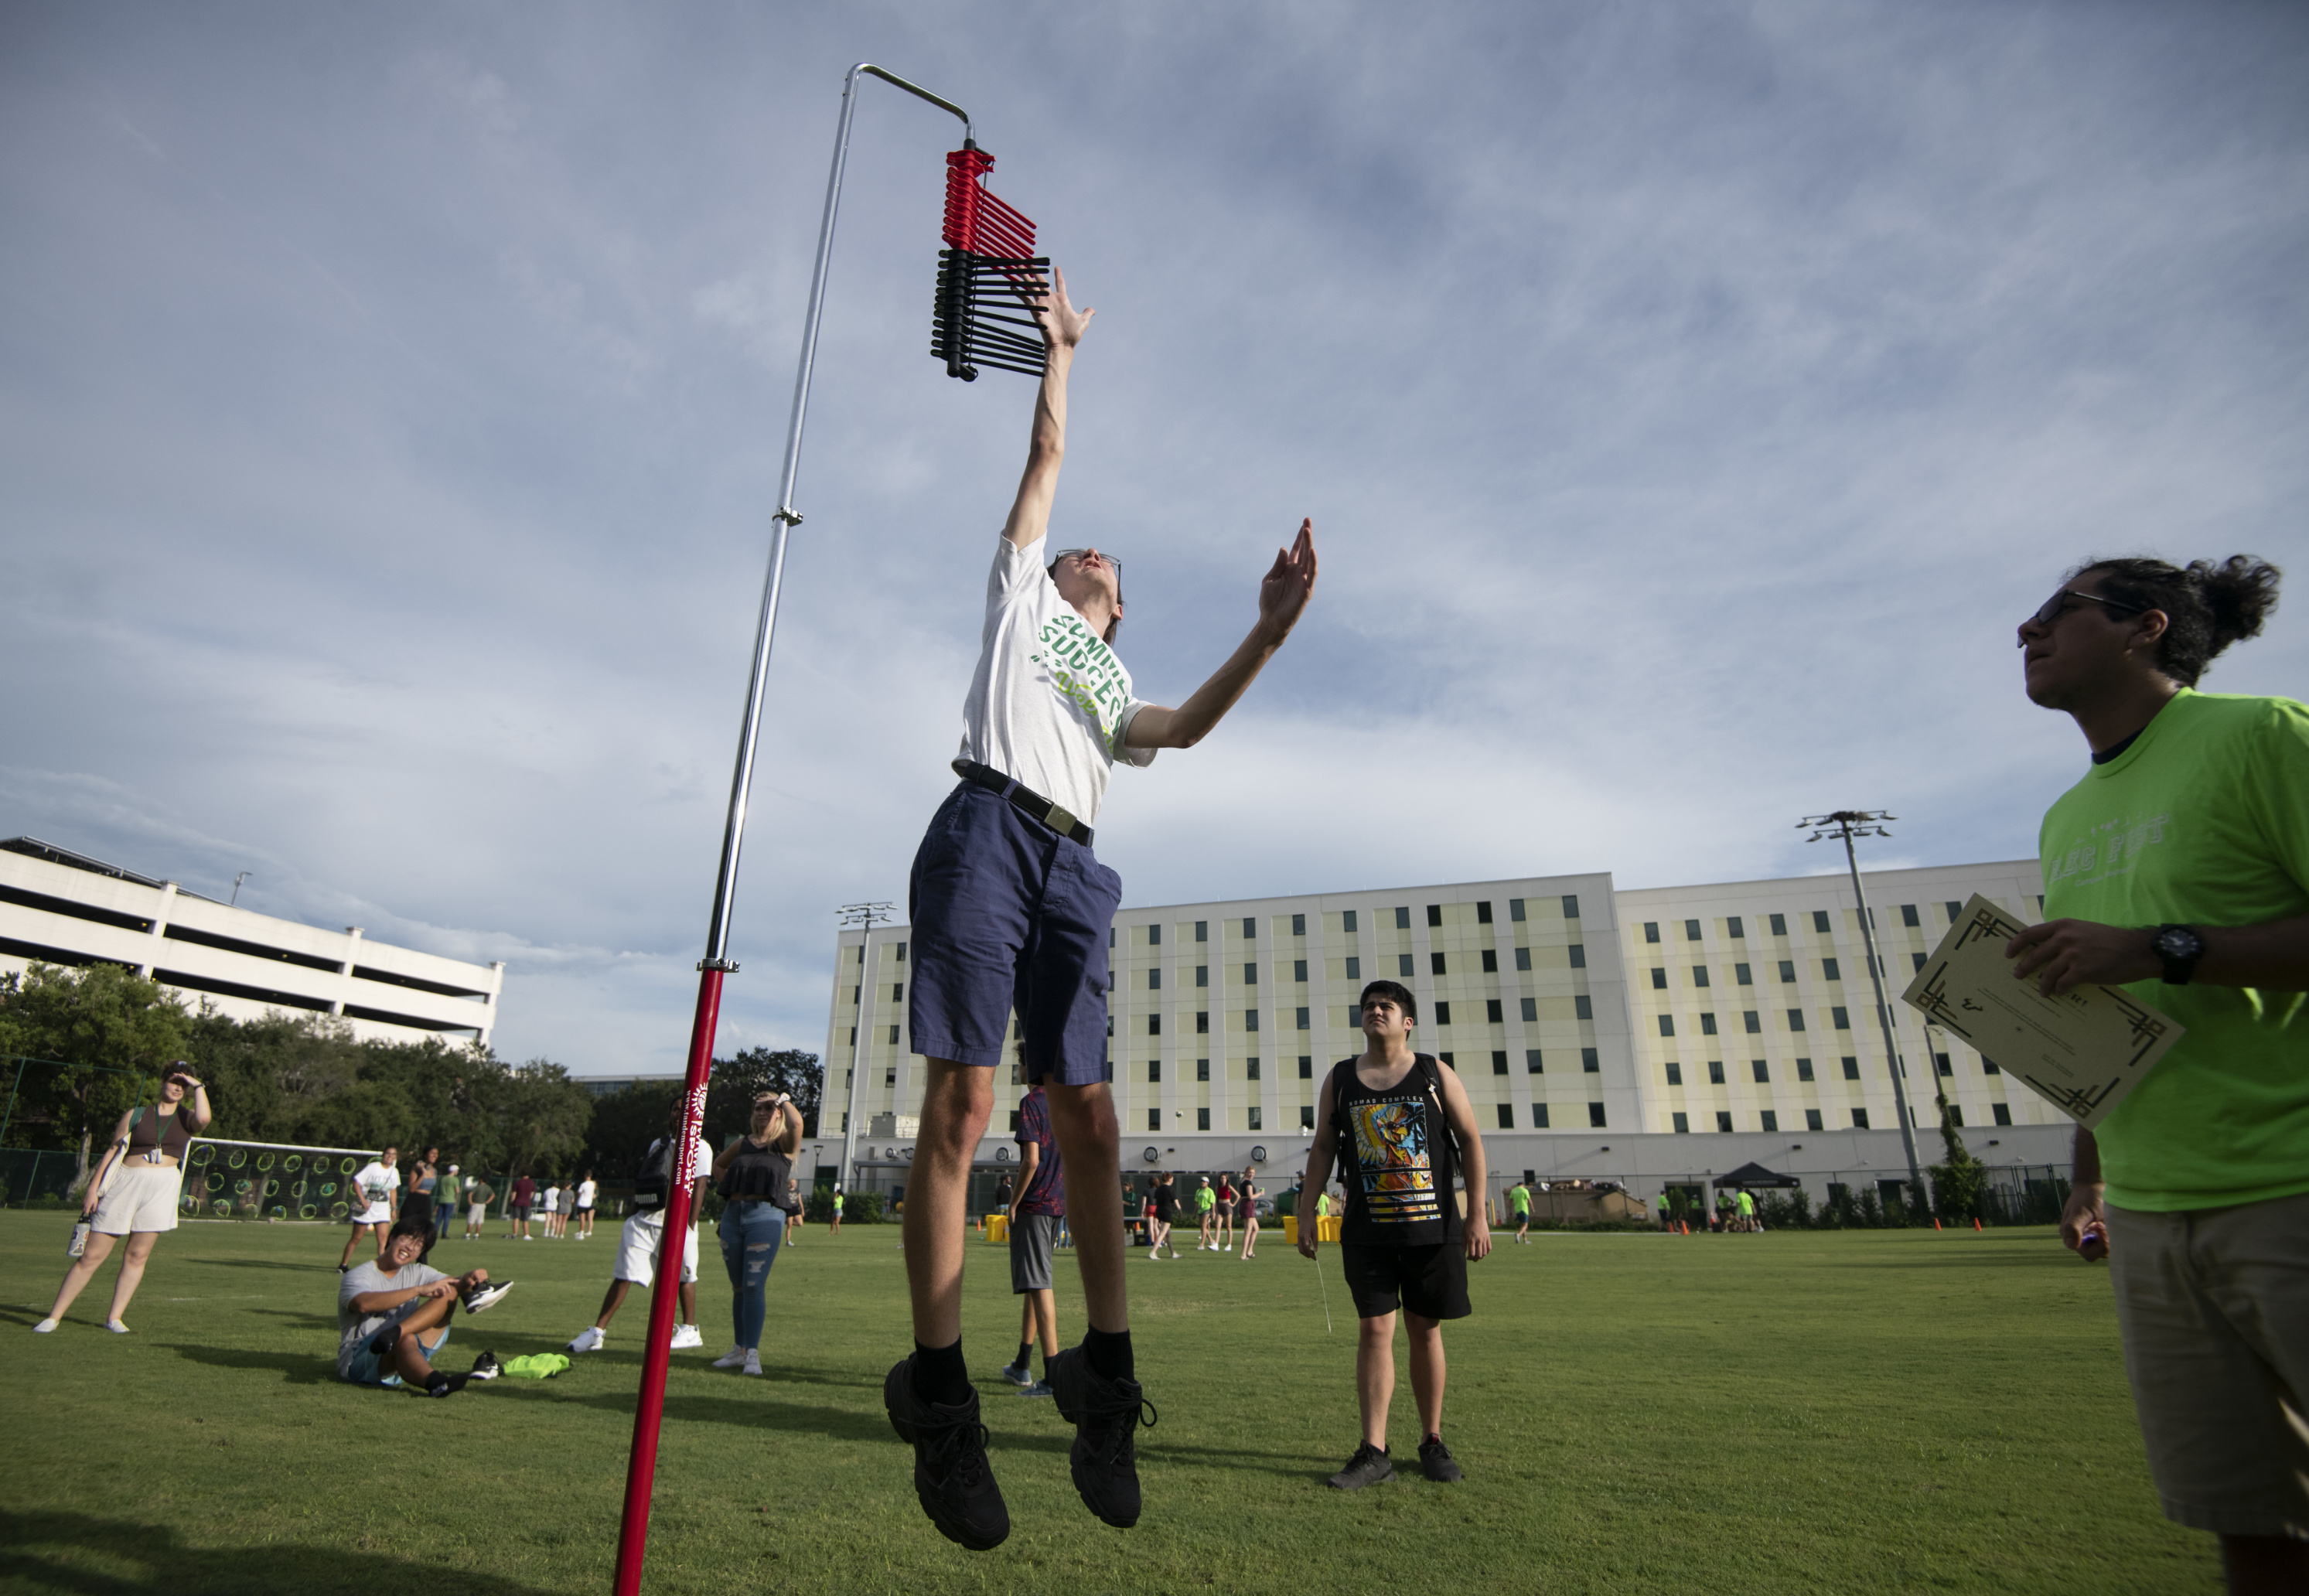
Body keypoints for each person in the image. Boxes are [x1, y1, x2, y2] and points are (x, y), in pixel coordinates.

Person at [880, 263, 1316, 1552]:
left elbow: (1178, 728)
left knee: (1092, 1119)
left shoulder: (1111, 676)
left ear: (1118, 607)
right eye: (1086, 547)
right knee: (960, 1102)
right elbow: (1050, 446)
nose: (1091, 552)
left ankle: (1104, 1384)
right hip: (984, 822)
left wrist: (1270, 633)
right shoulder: (1020, 596)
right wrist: (1059, 350)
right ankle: (943, 1396)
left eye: (1109, 565)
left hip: (1077, 862)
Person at [2006, 554, 2307, 1593]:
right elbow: (2111, 1019)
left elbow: (2150, 962)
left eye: (2057, 612)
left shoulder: (2263, 735)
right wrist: (2088, 1173)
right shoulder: (2064, 818)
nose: (2025, 631)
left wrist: (2162, 946)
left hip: (2288, 1186)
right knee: (2246, 1523)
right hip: (2147, 1213)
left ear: (2146, 626)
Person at [1300, 981, 1491, 1489]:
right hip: (1367, 1233)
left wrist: (1478, 1215)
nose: (1375, 1011)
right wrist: (1305, 1212)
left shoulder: (1433, 1073)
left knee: (1425, 1330)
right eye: (1368, 1006)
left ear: (1408, 1022)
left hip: (1433, 1230)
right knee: (1374, 1332)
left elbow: (1471, 1140)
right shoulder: (1341, 1078)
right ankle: (1374, 1450)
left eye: (1386, 1006)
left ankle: (1432, 1441)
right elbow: (1322, 1149)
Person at [36, 1065, 213, 1334]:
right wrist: (93, 1189)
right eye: (174, 1081)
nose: (178, 1087)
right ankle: (54, 1317)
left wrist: (197, 1085)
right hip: (126, 1182)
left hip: (162, 1186)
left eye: (184, 1085)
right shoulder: (137, 1114)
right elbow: (112, 1150)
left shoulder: (187, 1117)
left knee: (137, 1256)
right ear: (162, 1082)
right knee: (91, 1256)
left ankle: (115, 1318)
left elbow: (204, 1119)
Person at [568, 1103, 711, 1355]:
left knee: (684, 1277)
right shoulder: (658, 1143)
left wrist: (688, 1226)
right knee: (624, 1276)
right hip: (645, 1220)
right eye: (675, 1109)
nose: (679, 1113)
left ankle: (690, 1329)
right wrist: (634, 1213)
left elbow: (699, 1187)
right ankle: (597, 1332)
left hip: (676, 1224)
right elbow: (646, 1181)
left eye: (684, 1109)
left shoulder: (701, 1147)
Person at [337, 1212, 511, 1393]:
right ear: (392, 1238)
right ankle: (435, 1382)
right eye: (408, 1239)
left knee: (447, 1290)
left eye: (419, 1245)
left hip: (405, 1356)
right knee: (406, 1337)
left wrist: (472, 1278)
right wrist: (419, 1290)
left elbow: (454, 1283)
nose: (411, 1248)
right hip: (359, 1361)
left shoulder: (418, 1272)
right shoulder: (359, 1275)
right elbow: (362, 1304)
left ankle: (477, 1296)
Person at [709, 1092, 803, 1376]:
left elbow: (797, 1124)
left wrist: (782, 1099)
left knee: (753, 1285)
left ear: (778, 1113)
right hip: (733, 1215)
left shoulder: (782, 1144)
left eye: (768, 1108)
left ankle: (752, 1352)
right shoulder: (742, 1143)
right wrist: (735, 1184)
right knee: (738, 1287)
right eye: (757, 1108)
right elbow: (718, 1165)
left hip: (765, 1216)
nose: (762, 1112)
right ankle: (739, 1350)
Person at [998, 1078, 1065, 1400]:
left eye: (1021, 1061)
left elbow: (1031, 1160)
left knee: (1040, 1284)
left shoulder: (1032, 1103)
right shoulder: (1062, 1102)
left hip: (1035, 1204)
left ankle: (1053, 1376)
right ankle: (1022, 1364)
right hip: (1056, 1204)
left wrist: (1013, 1202)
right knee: (1034, 1283)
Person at [338, 1146, 400, 1272]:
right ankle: (343, 1265)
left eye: (393, 1154)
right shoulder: (373, 1167)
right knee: (356, 1238)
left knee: (383, 1239)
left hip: (382, 1209)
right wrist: (362, 1200)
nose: (390, 1156)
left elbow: (393, 1190)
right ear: (383, 1155)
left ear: (396, 1157)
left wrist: (394, 1208)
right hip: (366, 1209)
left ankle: (383, 1266)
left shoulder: (394, 1172)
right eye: (388, 1153)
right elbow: (357, 1182)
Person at [1145, 1172, 1179, 1260]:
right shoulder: (1170, 1189)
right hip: (1167, 1212)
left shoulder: (1158, 1189)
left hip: (1159, 1211)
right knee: (1162, 1233)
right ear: (1169, 1179)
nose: (1172, 1180)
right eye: (1172, 1179)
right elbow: (1177, 1203)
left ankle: (1173, 1253)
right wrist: (1180, 1211)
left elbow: (1155, 1201)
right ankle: (1153, 1252)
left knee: (1168, 1234)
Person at [1238, 1170, 1264, 1261]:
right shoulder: (1248, 1182)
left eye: (1253, 1173)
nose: (1251, 1174)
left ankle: (1249, 1251)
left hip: (1247, 1205)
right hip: (1248, 1205)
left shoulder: (1243, 1182)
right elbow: (1251, 1197)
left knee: (1256, 1228)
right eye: (1249, 1173)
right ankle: (1243, 1254)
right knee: (1248, 1231)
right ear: (1246, 1173)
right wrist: (1260, 1194)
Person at [463, 1175, 494, 1240]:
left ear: (481, 1179)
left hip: (476, 1205)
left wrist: (470, 1202)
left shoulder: (477, 1187)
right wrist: (487, 1202)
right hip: (483, 1205)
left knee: (471, 1220)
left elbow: (470, 1194)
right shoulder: (488, 1187)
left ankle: (468, 1234)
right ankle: (476, 1234)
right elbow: (493, 1195)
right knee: (480, 1221)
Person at [507, 1172, 536, 1241]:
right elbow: (531, 1195)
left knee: (516, 1218)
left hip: (517, 1202)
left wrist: (511, 1203)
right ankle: (526, 1235)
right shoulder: (532, 1183)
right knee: (525, 1219)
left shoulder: (517, 1182)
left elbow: (514, 1194)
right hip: (526, 1203)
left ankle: (515, 1234)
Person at [1506, 1178, 1532, 1244]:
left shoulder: (1513, 1191)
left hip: (1517, 1210)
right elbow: (1529, 1200)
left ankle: (1525, 1240)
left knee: (1522, 1225)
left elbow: (1510, 1202)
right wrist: (1532, 1208)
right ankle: (1519, 1235)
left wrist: (1510, 1211)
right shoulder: (1525, 1190)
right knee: (1526, 1225)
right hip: (1524, 1210)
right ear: (1523, 1185)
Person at [1195, 1176, 1217, 1250]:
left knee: (1204, 1226)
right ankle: (1211, 1240)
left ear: (1207, 1183)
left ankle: (1202, 1244)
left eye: (1204, 1182)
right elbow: (1197, 1203)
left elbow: (1213, 1203)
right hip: (1200, 1210)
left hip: (1206, 1210)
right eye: (1202, 1181)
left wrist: (1213, 1213)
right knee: (1202, 1227)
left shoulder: (1210, 1191)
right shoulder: (1199, 1191)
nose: (1202, 1183)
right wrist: (1194, 1213)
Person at [575, 1170, 598, 1240]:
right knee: (587, 1219)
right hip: (589, 1203)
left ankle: (581, 1234)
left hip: (582, 1203)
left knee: (582, 1219)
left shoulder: (583, 1184)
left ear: (585, 1175)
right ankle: (584, 1232)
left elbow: (579, 1193)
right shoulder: (592, 1184)